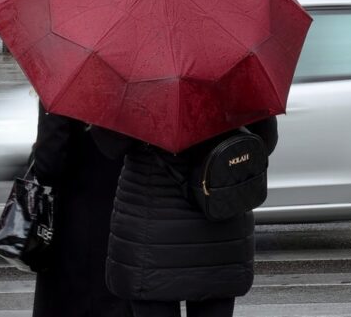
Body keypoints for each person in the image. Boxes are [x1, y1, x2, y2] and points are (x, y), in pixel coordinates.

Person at [91, 117, 279, 317]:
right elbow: (265, 142)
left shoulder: (139, 99)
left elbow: (110, 145)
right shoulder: (235, 96)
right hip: (220, 226)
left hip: (151, 232)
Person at [31, 102, 131, 317]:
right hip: (124, 217)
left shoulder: (64, 93)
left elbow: (48, 163)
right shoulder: (137, 88)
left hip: (73, 226)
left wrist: (36, 152)